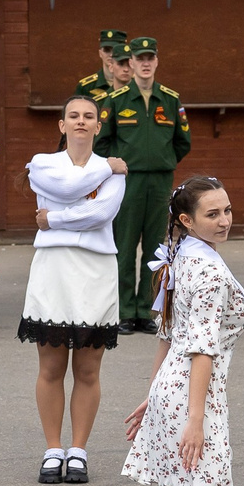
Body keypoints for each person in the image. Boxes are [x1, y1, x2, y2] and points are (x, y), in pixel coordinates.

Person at [118, 175, 244, 486]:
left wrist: (154, 394)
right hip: (196, 393)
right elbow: (199, 348)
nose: (224, 221)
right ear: (185, 220)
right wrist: (195, 417)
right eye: (212, 214)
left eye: (228, 210)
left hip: (171, 390)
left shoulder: (180, 258)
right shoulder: (207, 269)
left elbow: (166, 331)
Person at [21, 95, 126, 486]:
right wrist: (103, 174)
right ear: (61, 125)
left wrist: (52, 220)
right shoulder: (42, 164)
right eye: (73, 116)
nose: (81, 121)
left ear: (99, 126)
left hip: (96, 270)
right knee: (50, 366)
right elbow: (66, 189)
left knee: (87, 368)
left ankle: (78, 451)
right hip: (53, 268)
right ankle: (53, 449)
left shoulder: (114, 170)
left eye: (89, 117)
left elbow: (100, 214)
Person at [95, 36, 188, 335]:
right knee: (123, 245)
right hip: (127, 182)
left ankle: (146, 311)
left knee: (155, 248)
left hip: (160, 181)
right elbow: (102, 141)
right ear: (131, 63)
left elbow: (182, 142)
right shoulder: (117, 100)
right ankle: (123, 310)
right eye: (140, 58)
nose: (146, 63)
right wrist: (117, 165)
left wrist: (163, 159)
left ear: (157, 61)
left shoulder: (170, 99)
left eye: (151, 58)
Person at [76, 29, 130, 102]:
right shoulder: (86, 87)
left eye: (115, 50)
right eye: (107, 50)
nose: (111, 55)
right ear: (100, 53)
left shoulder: (136, 83)